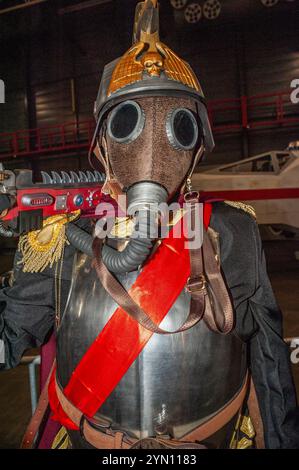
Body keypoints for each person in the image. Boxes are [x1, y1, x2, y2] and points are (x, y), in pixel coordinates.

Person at [0, 0, 298, 449]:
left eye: (177, 127)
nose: (152, 149)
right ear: (101, 146)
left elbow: (270, 362)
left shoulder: (233, 233)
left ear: (196, 147)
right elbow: (8, 338)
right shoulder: (58, 238)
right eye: (128, 123)